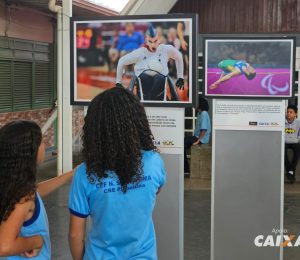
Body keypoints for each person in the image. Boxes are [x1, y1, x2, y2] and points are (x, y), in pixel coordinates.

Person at [68, 87, 166, 260]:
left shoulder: (85, 174)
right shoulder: (153, 162)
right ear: (137, 122)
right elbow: (156, 190)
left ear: (94, 127)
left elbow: (76, 235)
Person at [0, 120, 74, 259]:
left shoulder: (13, 187)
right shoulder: (22, 198)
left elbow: (36, 192)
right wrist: (36, 241)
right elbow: (4, 246)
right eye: (41, 142)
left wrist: (70, 174)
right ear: (30, 151)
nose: (44, 146)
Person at [116, 24, 184, 101]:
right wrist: (118, 82)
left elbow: (179, 56)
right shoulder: (140, 52)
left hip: (160, 88)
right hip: (143, 91)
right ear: (146, 40)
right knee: (144, 77)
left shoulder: (165, 49)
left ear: (158, 39)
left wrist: (180, 76)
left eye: (155, 41)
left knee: (160, 78)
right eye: (150, 41)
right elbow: (121, 61)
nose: (153, 45)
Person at [184, 97, 211, 174]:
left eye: (195, 103)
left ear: (199, 104)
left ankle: (186, 170)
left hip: (201, 139)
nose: (193, 105)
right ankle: (185, 169)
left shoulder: (204, 113)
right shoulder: (200, 113)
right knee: (183, 142)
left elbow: (204, 129)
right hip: (196, 137)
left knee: (183, 144)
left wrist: (198, 141)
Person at [285, 104, 300, 184]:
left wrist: (297, 139)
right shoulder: (282, 121)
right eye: (287, 112)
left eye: (291, 112)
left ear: (295, 114)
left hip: (295, 142)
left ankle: (290, 172)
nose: (288, 114)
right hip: (285, 142)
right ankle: (291, 172)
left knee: (298, 150)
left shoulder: (298, 123)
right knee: (282, 150)